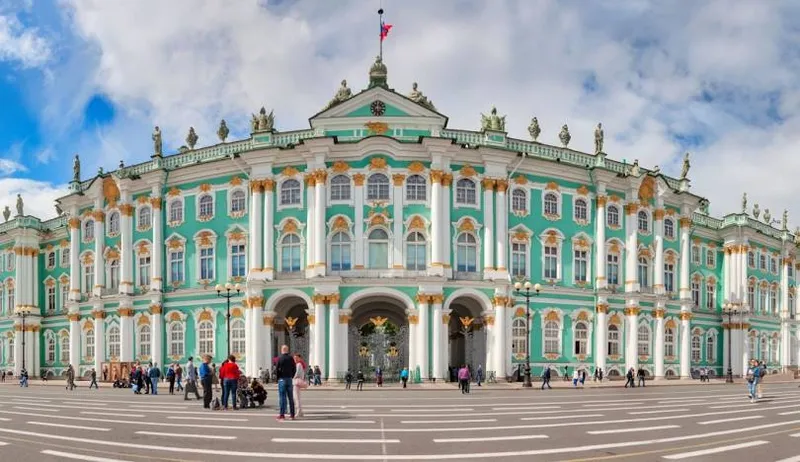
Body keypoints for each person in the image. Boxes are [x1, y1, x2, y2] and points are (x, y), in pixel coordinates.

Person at [275, 345, 296, 421]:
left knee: (282, 397)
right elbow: (294, 368)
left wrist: (278, 378)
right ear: (287, 350)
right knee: (290, 397)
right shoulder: (291, 358)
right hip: (289, 379)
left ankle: (282, 415)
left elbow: (277, 369)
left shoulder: (279, 358)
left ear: (282, 350)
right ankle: (292, 415)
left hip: (282, 379)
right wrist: (291, 376)